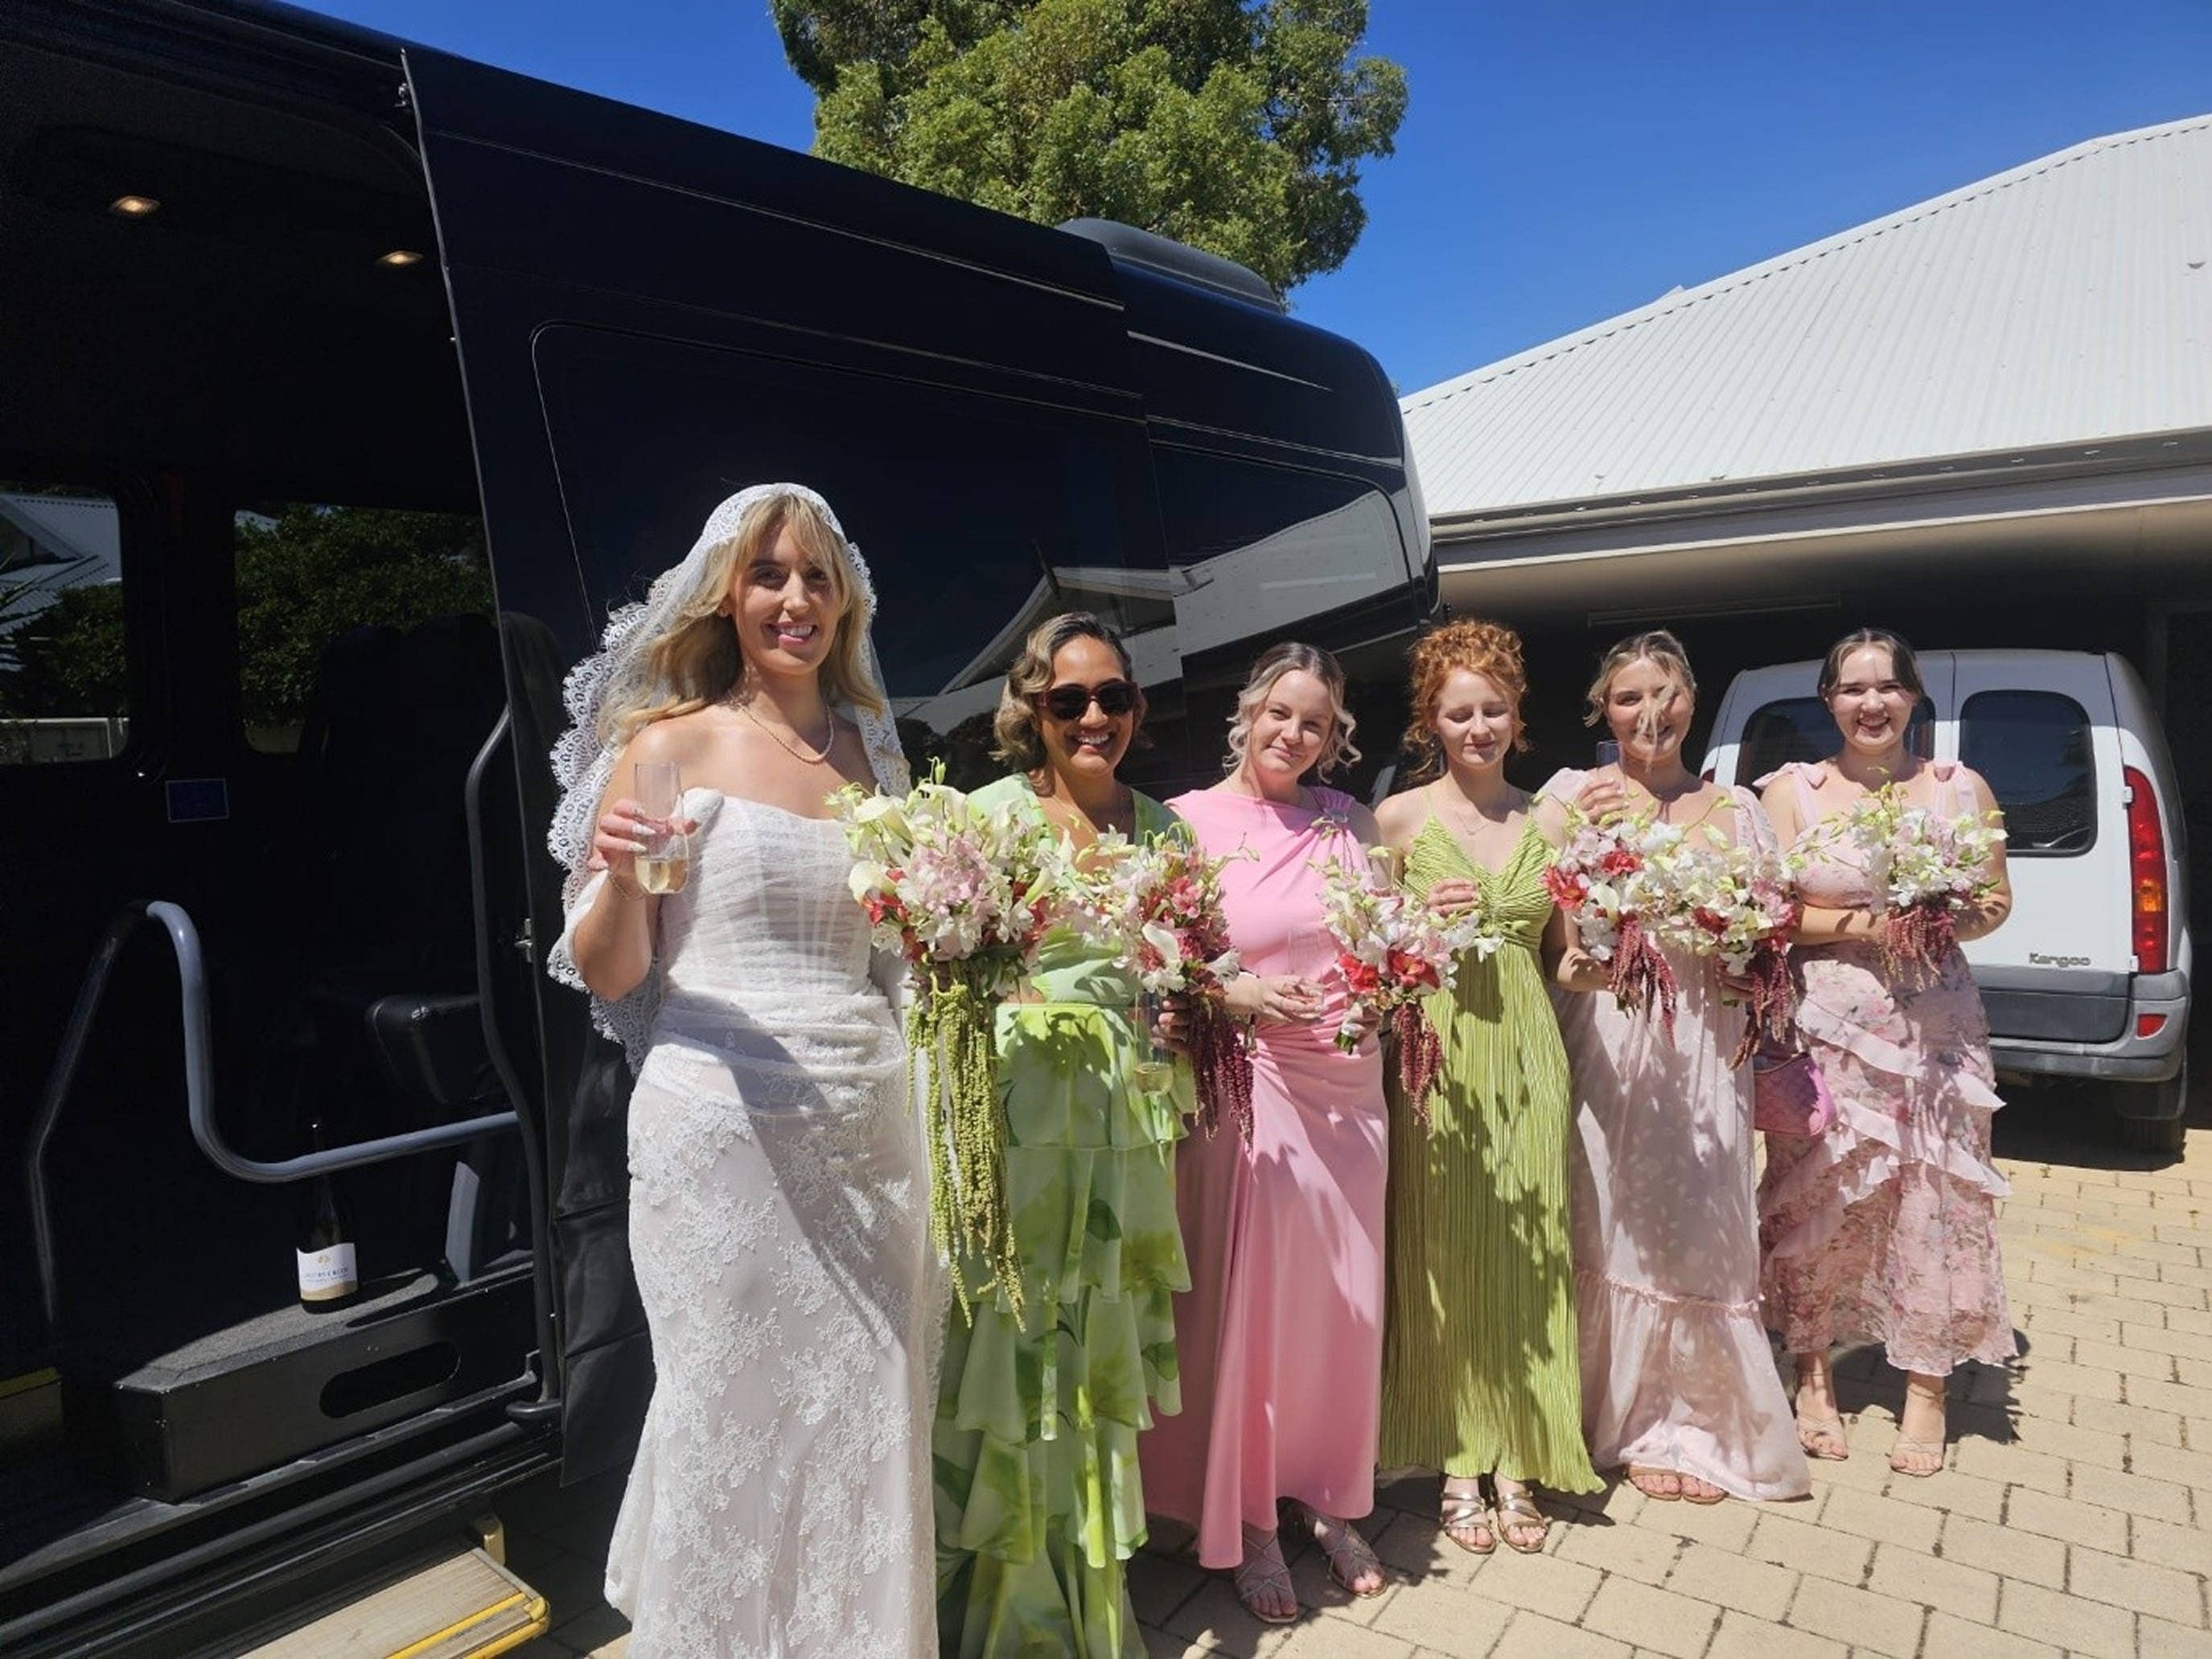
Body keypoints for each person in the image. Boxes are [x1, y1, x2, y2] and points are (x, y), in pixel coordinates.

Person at [546, 484, 937, 1655]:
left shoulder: (874, 756)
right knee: (730, 1409)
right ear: (727, 592)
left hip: (870, 1131)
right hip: (720, 1139)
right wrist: (620, 877)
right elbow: (613, 972)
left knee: (865, 1407)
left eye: (817, 576)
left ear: (846, 600)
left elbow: (900, 959)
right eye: (769, 574)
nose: (794, 598)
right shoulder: (666, 746)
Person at [931, 613, 1190, 1657]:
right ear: (1029, 710)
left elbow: (1175, 985)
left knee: (1089, 1377)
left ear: (1134, 706)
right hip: (1018, 1140)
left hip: (1122, 1137)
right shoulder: (985, 819)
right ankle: (1002, 1617)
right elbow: (938, 979)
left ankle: (1084, 1608)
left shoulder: (1164, 832)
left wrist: (1183, 1023)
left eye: (1112, 696)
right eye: (1067, 699)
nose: (1093, 717)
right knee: (1008, 1361)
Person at [1138, 641, 1389, 1624]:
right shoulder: (1185, 821)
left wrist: (1393, 987)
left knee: (1340, 1304)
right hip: (1251, 1084)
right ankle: (1247, 1518)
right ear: (1246, 712)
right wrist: (1229, 991)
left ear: (1334, 735)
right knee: (1259, 1306)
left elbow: (1383, 943)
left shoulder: (1349, 822)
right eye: (1279, 712)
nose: (1293, 733)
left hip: (1349, 1088)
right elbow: (1152, 961)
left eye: (1313, 722)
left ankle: (1328, 1495)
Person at [1538, 630, 1810, 1506]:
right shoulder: (1571, 796)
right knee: (1607, 1213)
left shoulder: (1736, 807)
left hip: (1703, 1037)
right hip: (1608, 1032)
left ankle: (1697, 1418)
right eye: (1628, 696)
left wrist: (1745, 948)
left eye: (1667, 693)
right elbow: (1547, 935)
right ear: (1602, 710)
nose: (1649, 712)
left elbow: (1771, 930)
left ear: (1694, 699)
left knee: (1700, 1216)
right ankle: (1618, 1415)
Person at [1756, 628, 2015, 1476]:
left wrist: (1942, 915)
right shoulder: (1790, 794)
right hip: (1826, 1032)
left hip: (1936, 1034)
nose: (1871, 703)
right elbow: (1771, 914)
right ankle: (1812, 1376)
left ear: (1912, 696)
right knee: (1819, 1197)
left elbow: (1994, 901)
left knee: (1933, 1201)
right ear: (1827, 700)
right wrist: (1871, 923)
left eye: (1886, 687)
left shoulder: (1957, 788)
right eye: (1852, 688)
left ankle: (1927, 1387)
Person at [1373, 620, 1601, 1554]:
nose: (1478, 728)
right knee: (1442, 1250)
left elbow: (1566, 956)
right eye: (1458, 712)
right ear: (1430, 720)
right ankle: (1457, 1458)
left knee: (1527, 1250)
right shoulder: (1395, 820)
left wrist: (1614, 955)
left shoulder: (1551, 821)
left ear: (1516, 714)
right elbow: (1369, 956)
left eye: (1493, 710)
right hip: (1437, 1055)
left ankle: (1518, 1455)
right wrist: (1413, 923)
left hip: (1527, 1052)